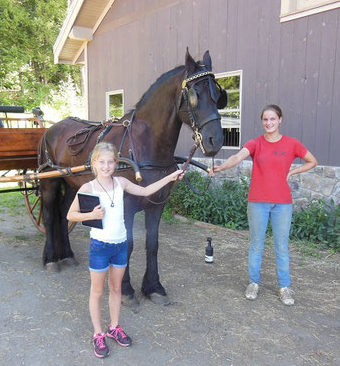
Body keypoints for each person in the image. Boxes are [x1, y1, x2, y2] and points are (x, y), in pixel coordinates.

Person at [67, 142, 184, 358]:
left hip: (120, 245)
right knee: (97, 292)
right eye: (101, 162)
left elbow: (147, 190)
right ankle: (98, 333)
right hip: (100, 247)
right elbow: (71, 215)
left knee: (116, 289)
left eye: (110, 162)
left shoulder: (121, 182)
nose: (106, 166)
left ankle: (114, 327)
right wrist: (90, 215)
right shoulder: (88, 188)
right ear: (94, 164)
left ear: (115, 164)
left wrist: (170, 177)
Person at [211, 104, 317, 306]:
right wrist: (222, 166)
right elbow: (237, 156)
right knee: (256, 245)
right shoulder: (256, 143)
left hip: (283, 204)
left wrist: (293, 172)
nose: (269, 123)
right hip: (257, 202)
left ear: (280, 120)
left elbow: (312, 161)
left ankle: (284, 287)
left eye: (272, 119)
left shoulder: (292, 143)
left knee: (281, 247)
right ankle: (253, 283)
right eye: (265, 119)